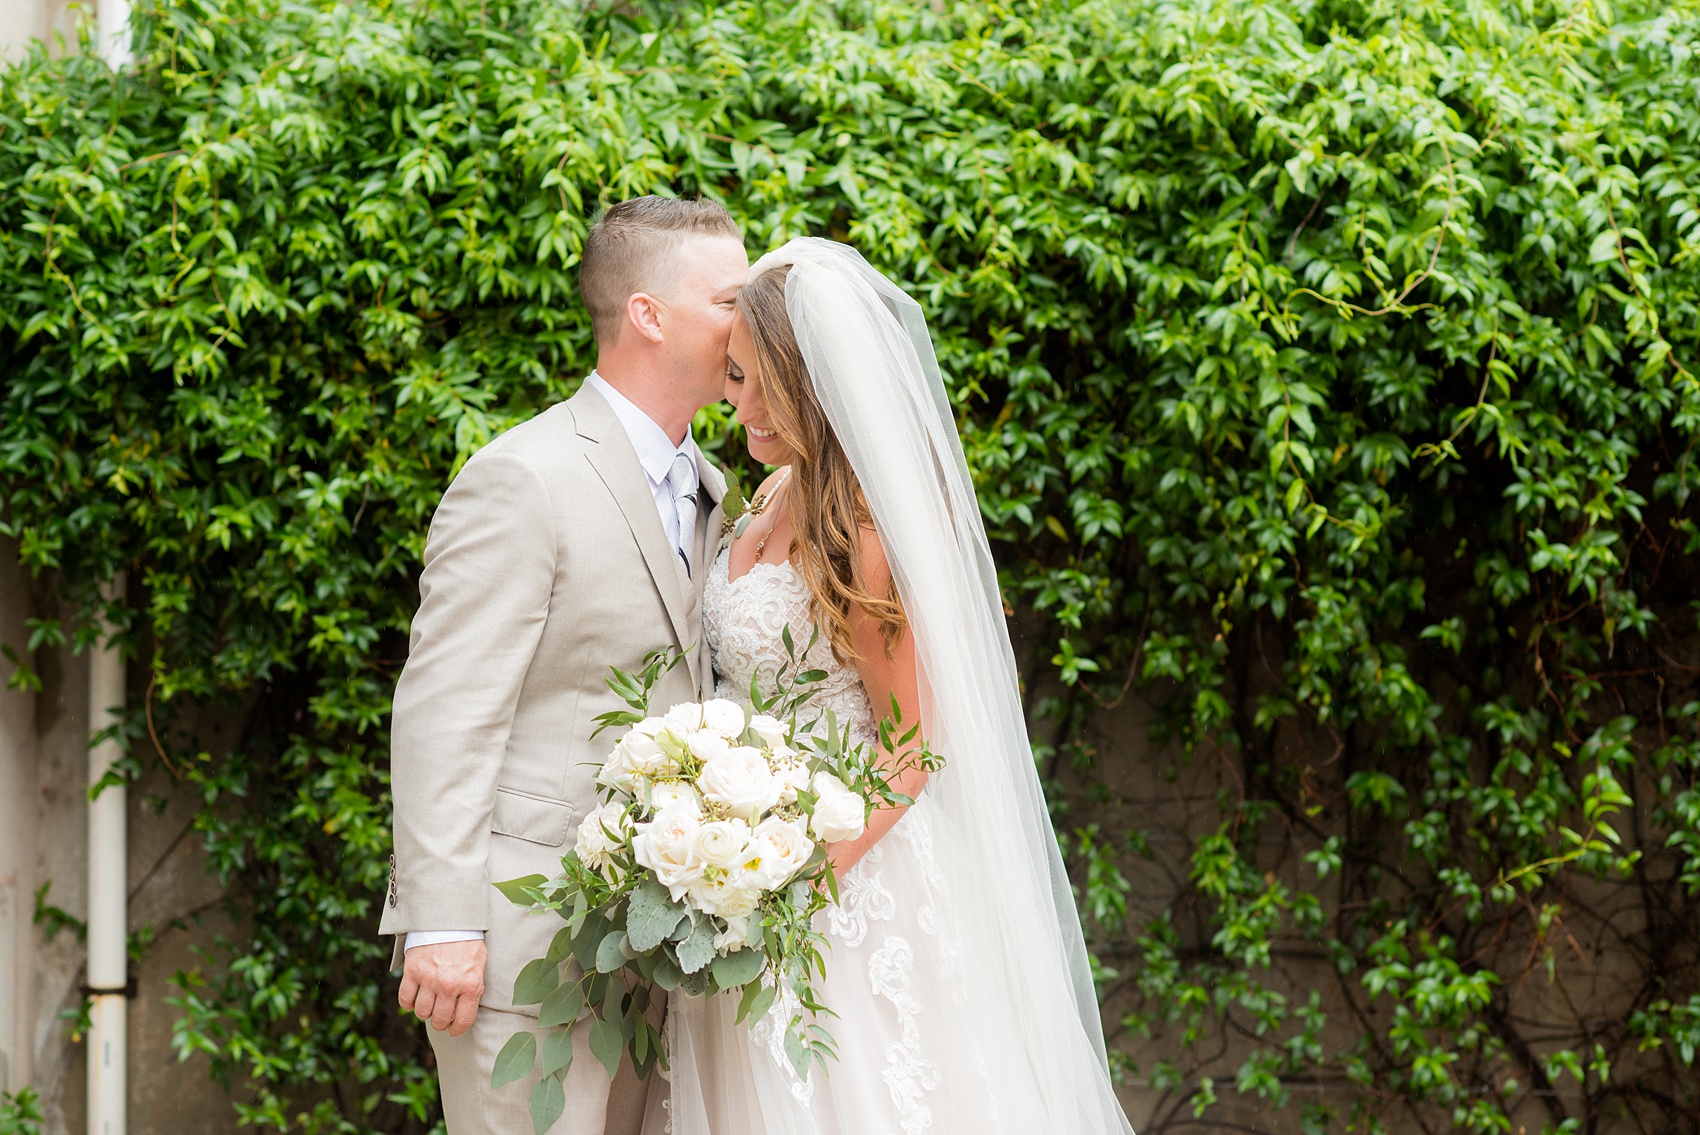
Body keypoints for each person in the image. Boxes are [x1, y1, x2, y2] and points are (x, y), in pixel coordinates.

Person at [658, 238, 1136, 1133]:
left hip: (848, 883)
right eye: (733, 376)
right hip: (747, 871)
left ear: (824, 391)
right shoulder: (763, 500)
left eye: (769, 386)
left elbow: (915, 750)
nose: (744, 408)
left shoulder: (864, 535)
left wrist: (799, 878)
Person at [380, 196, 749, 1134]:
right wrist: (445, 922)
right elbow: (445, 710)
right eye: (730, 300)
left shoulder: (714, 489)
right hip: (522, 949)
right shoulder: (523, 476)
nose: (750, 323)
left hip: (661, 953)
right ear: (648, 314)